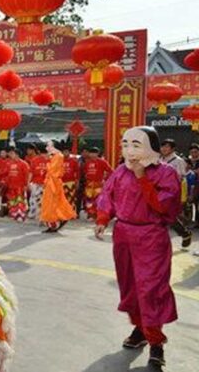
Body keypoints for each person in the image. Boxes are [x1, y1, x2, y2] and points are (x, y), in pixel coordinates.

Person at [95, 126, 181, 369]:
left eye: (136, 145)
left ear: (151, 148)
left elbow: (164, 206)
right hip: (123, 234)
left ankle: (156, 341)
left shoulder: (166, 174)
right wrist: (103, 219)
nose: (129, 151)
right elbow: (107, 195)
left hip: (151, 236)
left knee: (151, 289)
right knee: (130, 287)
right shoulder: (121, 171)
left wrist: (143, 177)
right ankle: (141, 328)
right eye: (125, 145)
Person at [160, 139, 192, 249]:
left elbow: (181, 177)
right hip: (158, 191)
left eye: (167, 147)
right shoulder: (159, 159)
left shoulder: (178, 161)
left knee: (169, 215)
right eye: (162, 146)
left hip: (171, 192)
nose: (163, 149)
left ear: (173, 149)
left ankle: (184, 233)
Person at [40, 141, 77, 233]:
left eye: (48, 146)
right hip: (51, 182)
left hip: (54, 183)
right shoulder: (54, 156)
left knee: (54, 203)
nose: (46, 148)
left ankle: (59, 220)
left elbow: (53, 171)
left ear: (54, 147)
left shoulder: (58, 156)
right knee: (50, 203)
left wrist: (48, 161)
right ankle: (53, 223)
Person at [82, 147, 113, 220]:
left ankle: (96, 214)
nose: (93, 155)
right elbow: (85, 173)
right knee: (89, 199)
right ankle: (90, 214)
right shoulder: (87, 162)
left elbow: (111, 171)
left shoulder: (102, 162)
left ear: (98, 154)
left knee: (98, 199)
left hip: (98, 184)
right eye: (91, 153)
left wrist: (106, 180)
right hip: (89, 184)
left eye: (94, 153)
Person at [1, 147, 30, 222]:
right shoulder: (9, 163)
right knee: (12, 201)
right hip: (11, 186)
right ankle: (13, 214)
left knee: (20, 201)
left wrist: (26, 185)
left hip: (20, 186)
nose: (11, 155)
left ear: (17, 155)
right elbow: (5, 173)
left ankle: (20, 215)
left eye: (12, 154)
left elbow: (27, 175)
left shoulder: (24, 164)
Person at [28, 145, 49, 220]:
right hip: (43, 183)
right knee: (42, 200)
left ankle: (34, 214)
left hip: (38, 183)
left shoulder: (35, 160)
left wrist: (28, 183)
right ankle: (39, 215)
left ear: (39, 151)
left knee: (34, 199)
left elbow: (31, 173)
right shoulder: (50, 160)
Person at [62, 147, 80, 213]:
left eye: (67, 151)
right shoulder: (59, 160)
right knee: (62, 198)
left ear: (69, 152)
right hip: (61, 182)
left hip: (71, 182)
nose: (65, 153)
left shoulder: (74, 161)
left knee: (71, 198)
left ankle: (71, 212)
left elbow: (77, 173)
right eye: (64, 152)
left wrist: (77, 182)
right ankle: (63, 212)